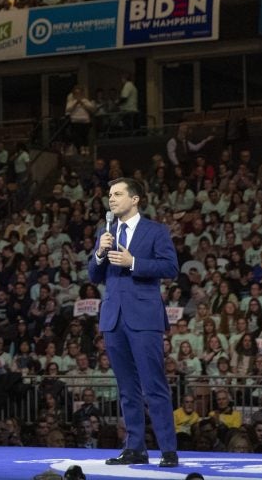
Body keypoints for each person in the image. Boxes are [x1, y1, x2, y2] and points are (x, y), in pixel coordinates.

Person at [88, 177, 179, 467]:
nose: (111, 199)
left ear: (135, 198)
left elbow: (170, 267)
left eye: (117, 194)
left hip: (144, 317)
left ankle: (168, 450)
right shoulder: (106, 231)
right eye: (109, 194)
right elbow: (93, 276)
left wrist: (134, 263)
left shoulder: (155, 231)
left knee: (154, 385)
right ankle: (135, 447)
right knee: (127, 387)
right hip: (113, 318)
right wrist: (99, 253)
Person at [65, 86, 96, 156]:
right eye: (76, 93)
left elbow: (92, 108)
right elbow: (68, 109)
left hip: (85, 121)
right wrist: (76, 103)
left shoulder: (85, 100)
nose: (78, 95)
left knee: (85, 135)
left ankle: (86, 149)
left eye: (79, 93)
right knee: (77, 135)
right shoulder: (71, 101)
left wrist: (82, 103)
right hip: (75, 120)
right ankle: (81, 149)